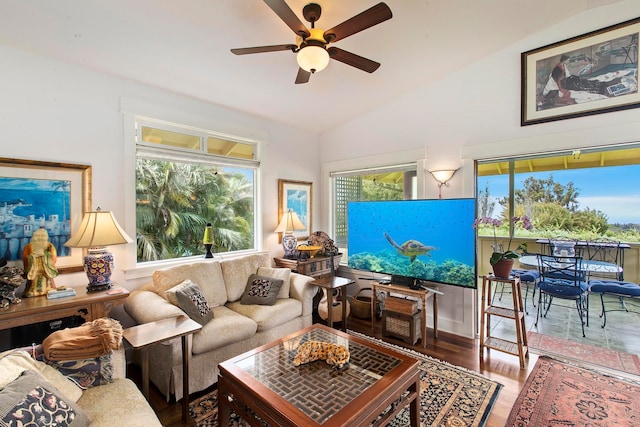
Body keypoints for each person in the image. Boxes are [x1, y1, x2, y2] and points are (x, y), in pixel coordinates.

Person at [22, 227, 58, 297]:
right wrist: (33, 256)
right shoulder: (28, 246)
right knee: (33, 283)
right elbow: (25, 258)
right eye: (38, 236)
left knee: (46, 281)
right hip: (34, 269)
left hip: (45, 269)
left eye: (42, 236)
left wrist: (45, 255)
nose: (40, 238)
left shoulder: (50, 246)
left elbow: (54, 258)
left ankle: (47, 289)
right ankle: (32, 291)